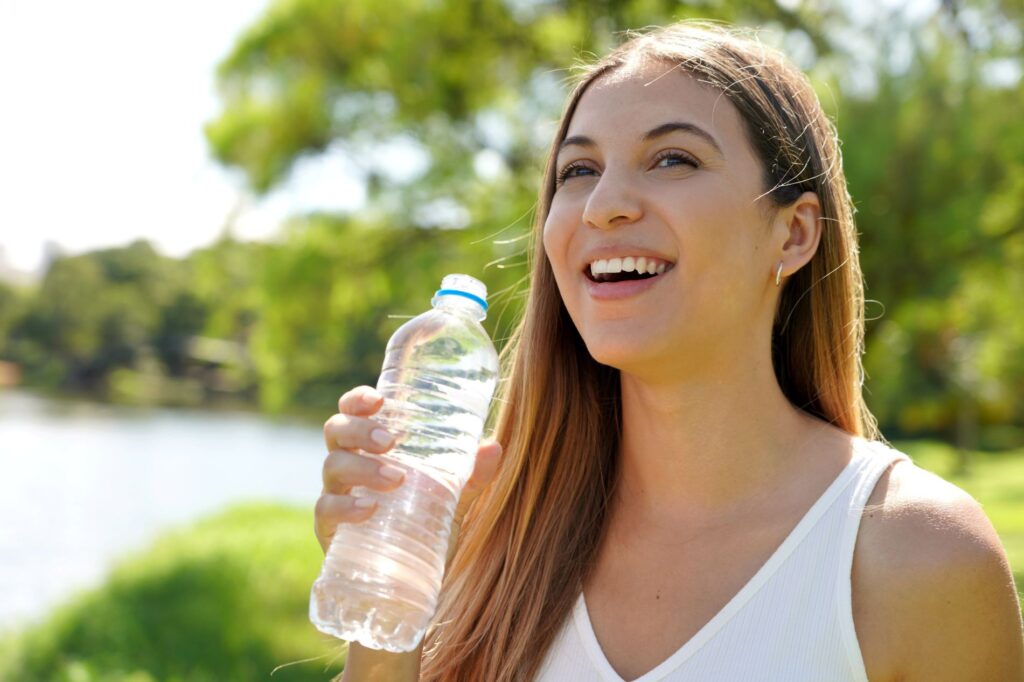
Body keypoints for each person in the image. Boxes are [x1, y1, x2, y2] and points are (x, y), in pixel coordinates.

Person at [316, 20, 1024, 682]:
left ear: (794, 234)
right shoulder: (486, 528)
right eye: (578, 171)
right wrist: (388, 596)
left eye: (673, 159)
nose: (604, 206)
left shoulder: (917, 557)